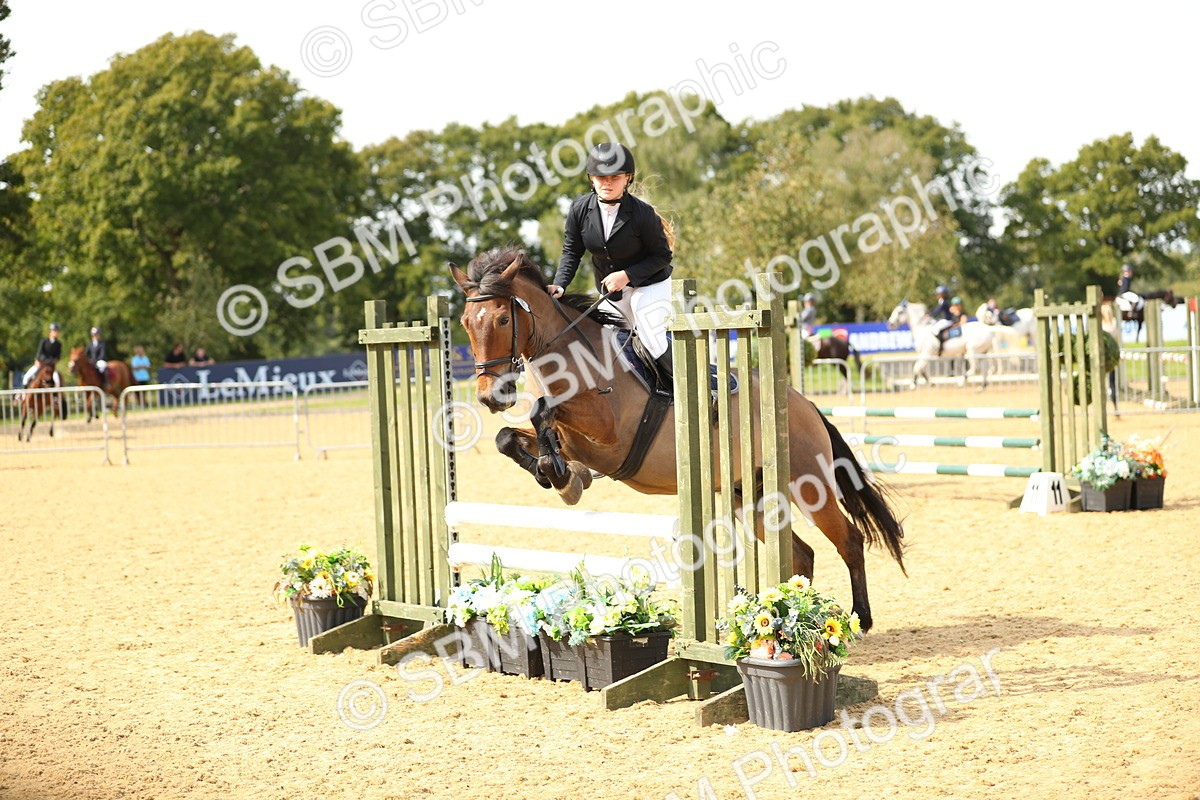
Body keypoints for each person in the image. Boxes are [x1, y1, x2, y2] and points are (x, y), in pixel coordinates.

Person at [548, 142, 675, 382]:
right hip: (612, 291)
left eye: (614, 177)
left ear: (628, 178)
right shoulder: (579, 209)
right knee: (604, 341)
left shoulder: (642, 213)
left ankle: (686, 390)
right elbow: (571, 252)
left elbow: (662, 256)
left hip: (650, 283)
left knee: (649, 336)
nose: (607, 183)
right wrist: (560, 284)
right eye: (600, 177)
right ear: (591, 179)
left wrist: (627, 275)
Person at [23, 322, 63, 389]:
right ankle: (24, 394)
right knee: (26, 377)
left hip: (50, 366)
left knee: (57, 381)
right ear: (50, 331)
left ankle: (56, 397)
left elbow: (57, 357)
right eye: (55, 331)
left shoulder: (58, 344)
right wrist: (37, 360)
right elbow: (39, 353)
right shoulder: (44, 341)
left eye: (57, 331)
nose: (56, 333)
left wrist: (53, 362)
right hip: (41, 364)